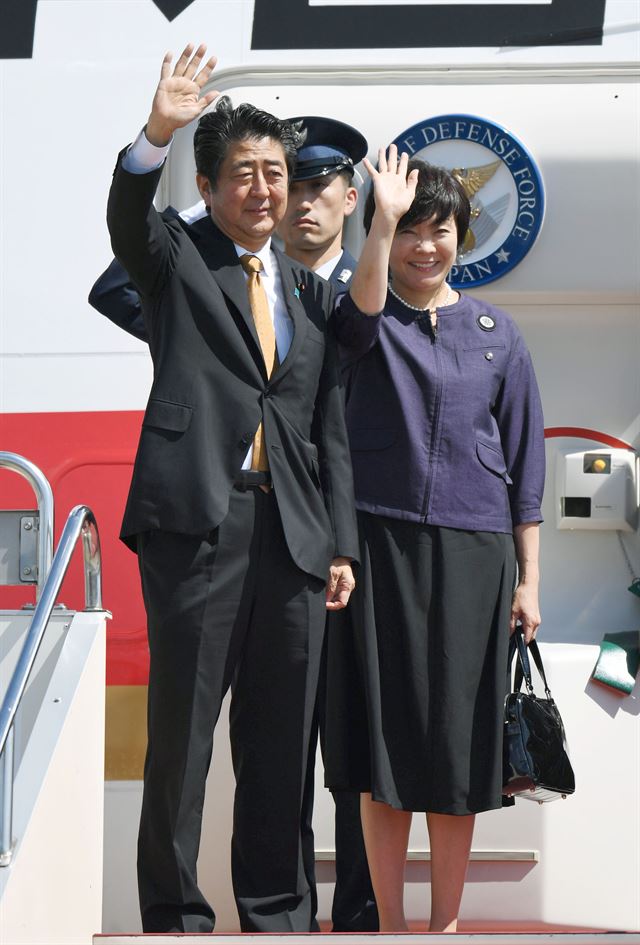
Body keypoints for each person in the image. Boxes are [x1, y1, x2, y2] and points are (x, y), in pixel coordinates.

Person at [91, 108, 378, 932]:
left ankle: (277, 912)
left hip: (292, 534)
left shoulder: (311, 292)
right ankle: (177, 914)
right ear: (210, 187)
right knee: (182, 740)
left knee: (282, 744)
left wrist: (339, 544)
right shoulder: (178, 261)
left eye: (275, 173)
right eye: (244, 172)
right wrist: (154, 135)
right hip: (197, 527)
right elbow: (127, 217)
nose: (264, 187)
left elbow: (328, 431)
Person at [328, 146, 545, 933]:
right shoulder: (365, 317)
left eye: (441, 229)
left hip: (476, 554)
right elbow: (356, 316)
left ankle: (446, 924)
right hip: (380, 546)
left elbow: (527, 471)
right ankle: (391, 923)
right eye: (412, 229)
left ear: (463, 237)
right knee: (384, 748)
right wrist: (378, 222)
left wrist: (530, 583)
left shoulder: (498, 332)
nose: (427, 245)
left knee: (459, 749)